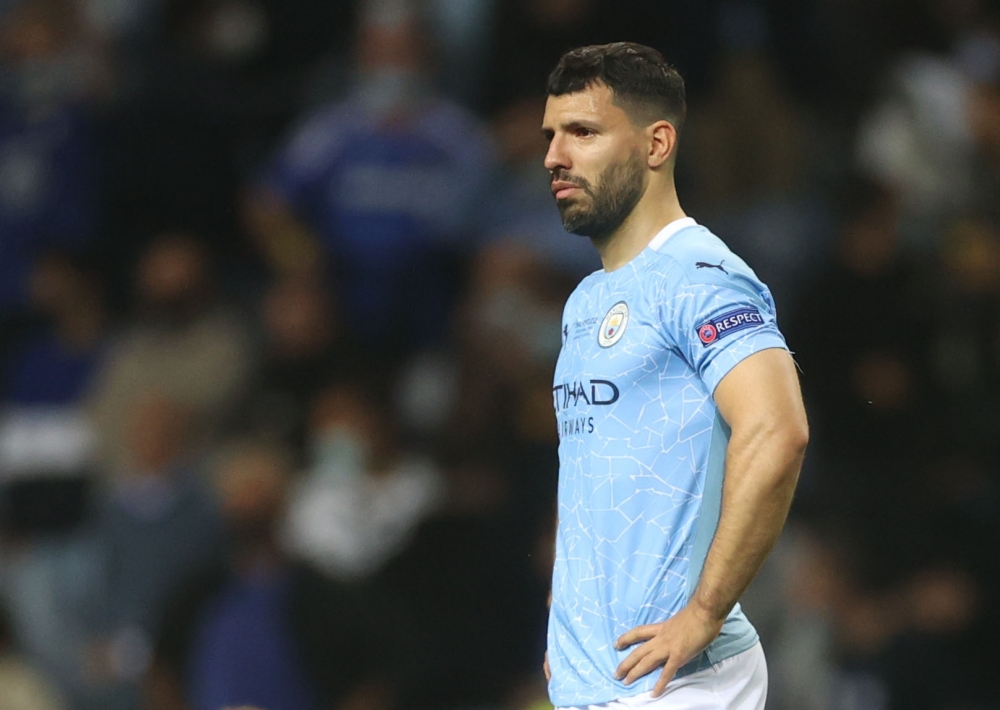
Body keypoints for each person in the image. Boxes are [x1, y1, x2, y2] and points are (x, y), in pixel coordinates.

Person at [540, 43, 809, 710]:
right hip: (596, 680)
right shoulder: (584, 304)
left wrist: (707, 611)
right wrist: (570, 622)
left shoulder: (700, 275)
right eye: (550, 135)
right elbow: (593, 475)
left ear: (657, 143)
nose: (554, 156)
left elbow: (777, 431)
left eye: (583, 132)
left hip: (679, 681)